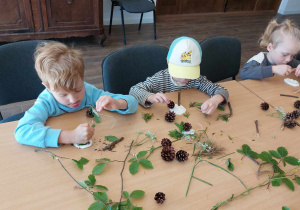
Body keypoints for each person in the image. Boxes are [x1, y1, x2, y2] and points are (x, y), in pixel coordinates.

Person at [15, 42, 138, 148]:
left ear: (82, 78)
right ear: (48, 88)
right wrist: (70, 136)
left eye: (78, 90)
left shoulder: (90, 92)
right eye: (63, 95)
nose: (73, 99)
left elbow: (133, 102)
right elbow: (22, 131)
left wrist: (118, 103)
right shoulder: (46, 102)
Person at [129, 36, 229, 115]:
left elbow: (222, 90)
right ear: (168, 62)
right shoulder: (160, 79)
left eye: (189, 73)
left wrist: (215, 100)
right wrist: (151, 97)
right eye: (179, 72)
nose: (184, 78)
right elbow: (134, 90)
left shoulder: (197, 80)